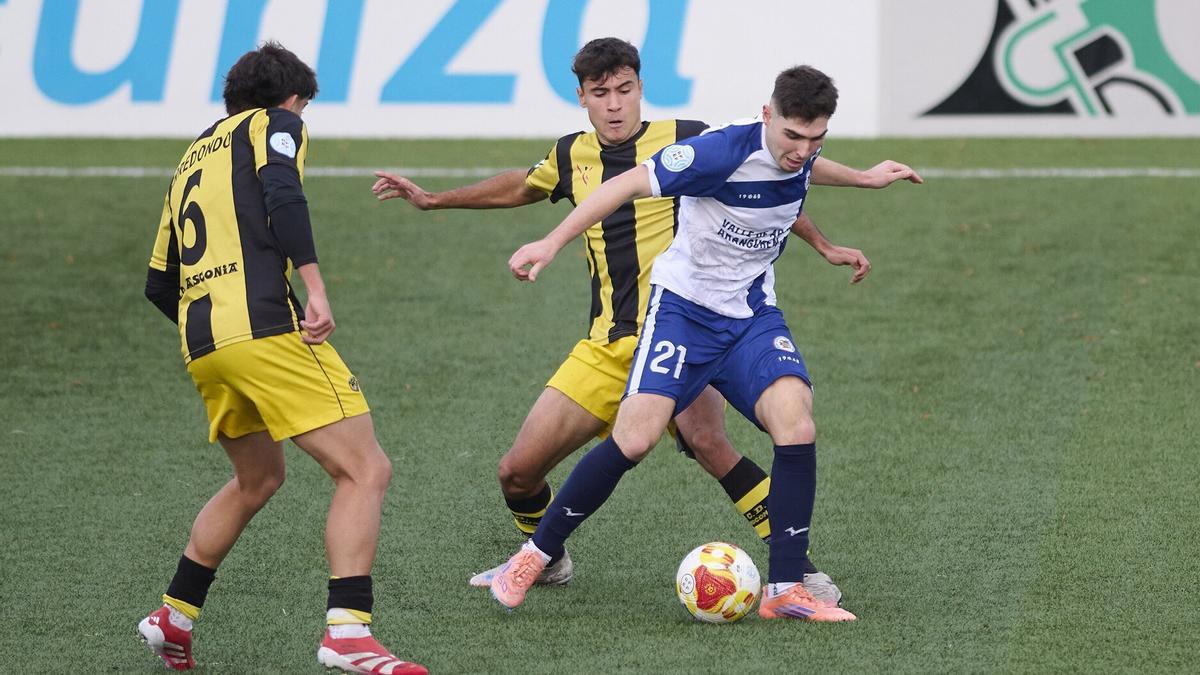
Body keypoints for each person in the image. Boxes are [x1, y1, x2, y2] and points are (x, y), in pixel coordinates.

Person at [371, 38, 920, 601]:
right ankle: (544, 557)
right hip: (610, 343)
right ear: (582, 97)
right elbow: (521, 185)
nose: (614, 104)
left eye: (625, 90)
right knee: (517, 472)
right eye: (601, 93)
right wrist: (436, 200)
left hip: (692, 325)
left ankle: (795, 571)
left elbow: (771, 183)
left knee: (712, 441)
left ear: (640, 88)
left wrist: (825, 241)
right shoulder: (570, 156)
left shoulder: (691, 138)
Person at [492, 65, 873, 622]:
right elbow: (623, 185)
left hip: (751, 317)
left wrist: (863, 180)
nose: (802, 151)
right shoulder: (717, 152)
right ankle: (534, 555)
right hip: (684, 315)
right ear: (767, 116)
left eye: (816, 139)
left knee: (796, 423)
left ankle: (787, 588)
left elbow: (806, 173)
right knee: (635, 438)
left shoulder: (801, 151)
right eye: (792, 136)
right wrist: (551, 243)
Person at [138, 43, 426, 674]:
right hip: (265, 328)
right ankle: (348, 633)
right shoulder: (275, 124)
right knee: (365, 469)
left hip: (204, 344)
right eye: (304, 108)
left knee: (257, 479)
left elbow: (159, 282)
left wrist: (220, 337)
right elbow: (283, 195)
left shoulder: (190, 160)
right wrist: (314, 287)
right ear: (291, 100)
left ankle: (174, 614)